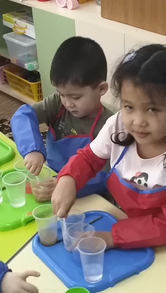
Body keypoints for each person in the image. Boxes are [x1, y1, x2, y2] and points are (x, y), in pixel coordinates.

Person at [51, 44, 166, 260]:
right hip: (132, 232)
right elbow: (88, 158)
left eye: (152, 109)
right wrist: (68, 179)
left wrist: (112, 237)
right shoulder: (118, 125)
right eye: (129, 107)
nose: (137, 121)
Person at [11, 36, 113, 200]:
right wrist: (33, 149)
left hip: (86, 192)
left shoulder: (109, 125)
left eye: (76, 97)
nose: (67, 103)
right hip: (51, 177)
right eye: (61, 94)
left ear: (101, 89)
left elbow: (107, 177)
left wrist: (67, 185)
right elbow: (23, 116)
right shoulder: (57, 104)